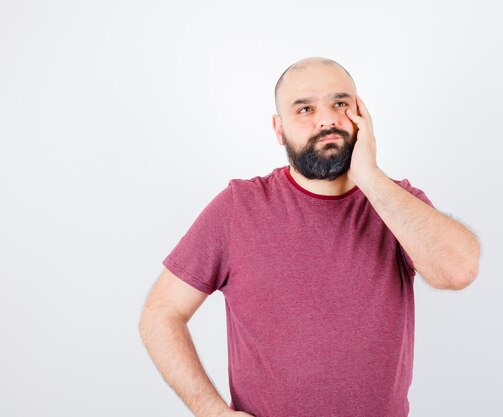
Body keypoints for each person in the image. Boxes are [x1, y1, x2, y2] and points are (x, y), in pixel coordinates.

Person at [138, 57, 481, 417]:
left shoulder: (395, 203)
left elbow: (458, 270)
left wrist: (369, 175)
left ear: (362, 115)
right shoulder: (238, 208)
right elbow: (161, 314)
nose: (327, 119)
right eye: (305, 108)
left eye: (340, 104)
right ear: (279, 128)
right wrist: (213, 413)